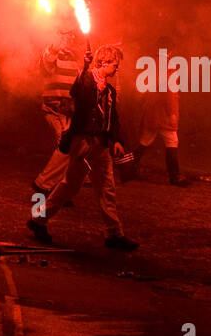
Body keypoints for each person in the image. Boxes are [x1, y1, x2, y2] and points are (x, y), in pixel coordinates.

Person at [27, 44, 138, 250]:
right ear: (103, 63)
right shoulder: (87, 81)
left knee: (107, 188)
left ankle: (115, 233)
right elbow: (78, 92)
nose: (117, 69)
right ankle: (38, 220)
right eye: (115, 65)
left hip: (101, 145)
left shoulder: (110, 90)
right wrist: (86, 67)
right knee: (69, 187)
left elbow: (113, 118)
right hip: (84, 143)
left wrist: (117, 140)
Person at [131, 36, 189, 186]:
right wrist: (172, 113)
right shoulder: (169, 65)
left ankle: (129, 169)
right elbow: (169, 91)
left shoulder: (150, 63)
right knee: (172, 140)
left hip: (151, 109)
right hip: (163, 112)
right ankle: (175, 176)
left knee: (145, 140)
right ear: (170, 49)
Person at [32, 28, 83, 197]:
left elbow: (82, 81)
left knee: (69, 148)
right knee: (64, 145)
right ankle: (44, 184)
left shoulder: (77, 57)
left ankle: (58, 188)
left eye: (71, 35)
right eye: (65, 35)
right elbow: (45, 68)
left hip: (69, 110)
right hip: (53, 108)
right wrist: (52, 50)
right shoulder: (52, 53)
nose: (69, 38)